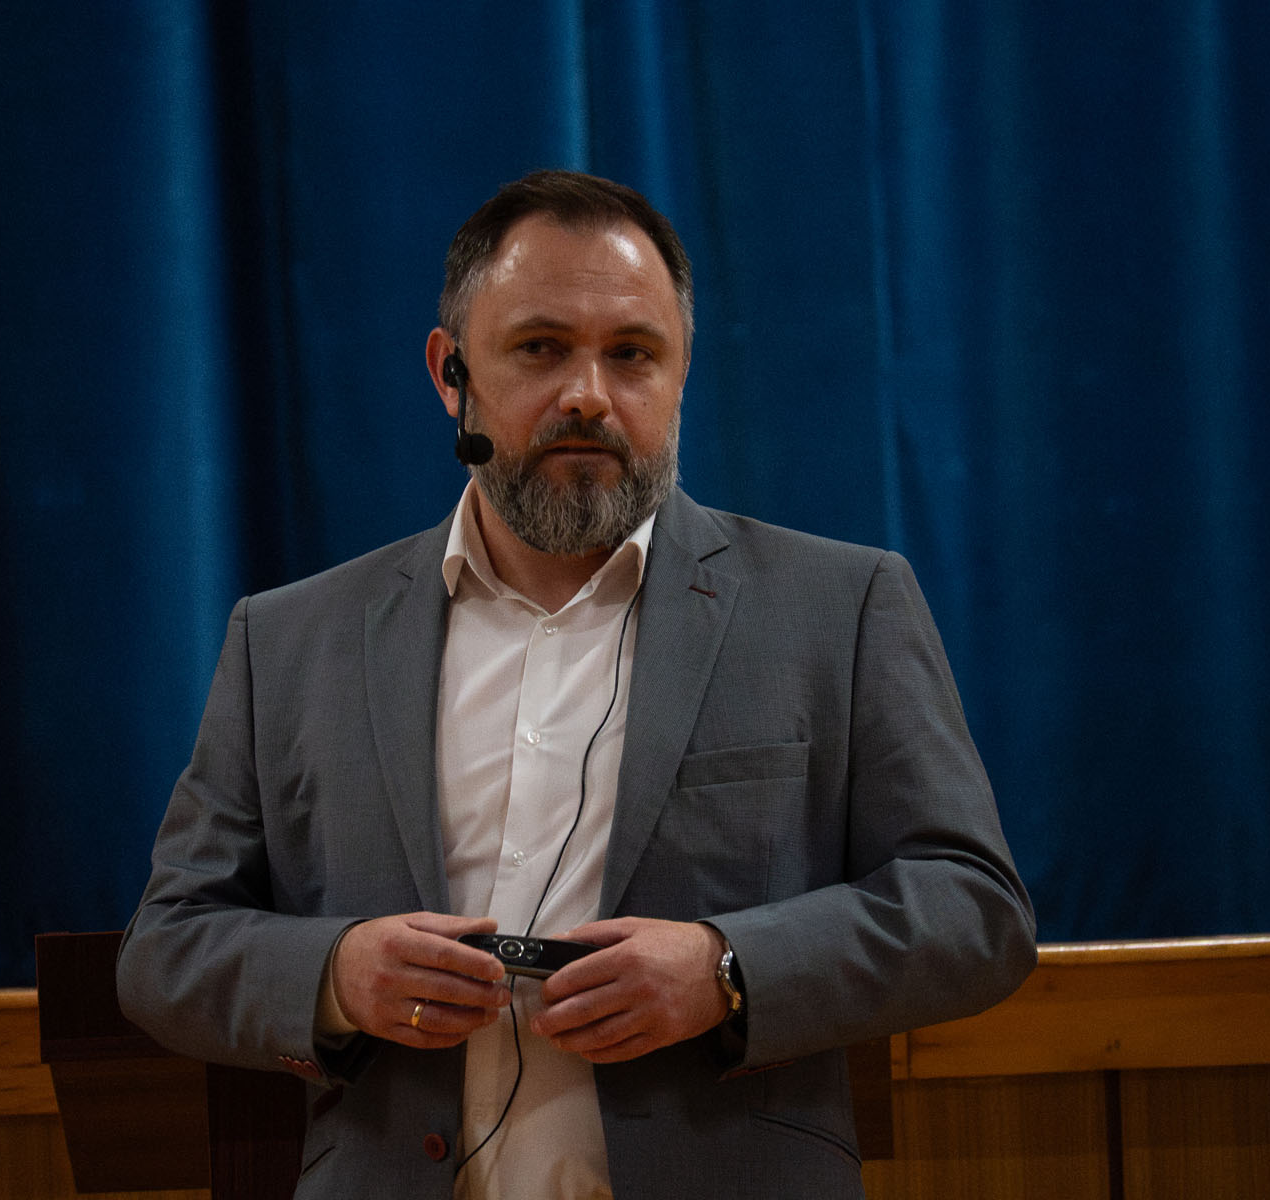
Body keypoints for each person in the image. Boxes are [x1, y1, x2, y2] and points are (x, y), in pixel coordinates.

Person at [117, 169, 1036, 1200]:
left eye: (632, 354)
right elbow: (168, 947)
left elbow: (974, 911)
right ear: (451, 373)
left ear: (680, 376)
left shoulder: (840, 606)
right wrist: (334, 976)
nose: (589, 395)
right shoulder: (288, 639)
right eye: (541, 348)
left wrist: (730, 971)